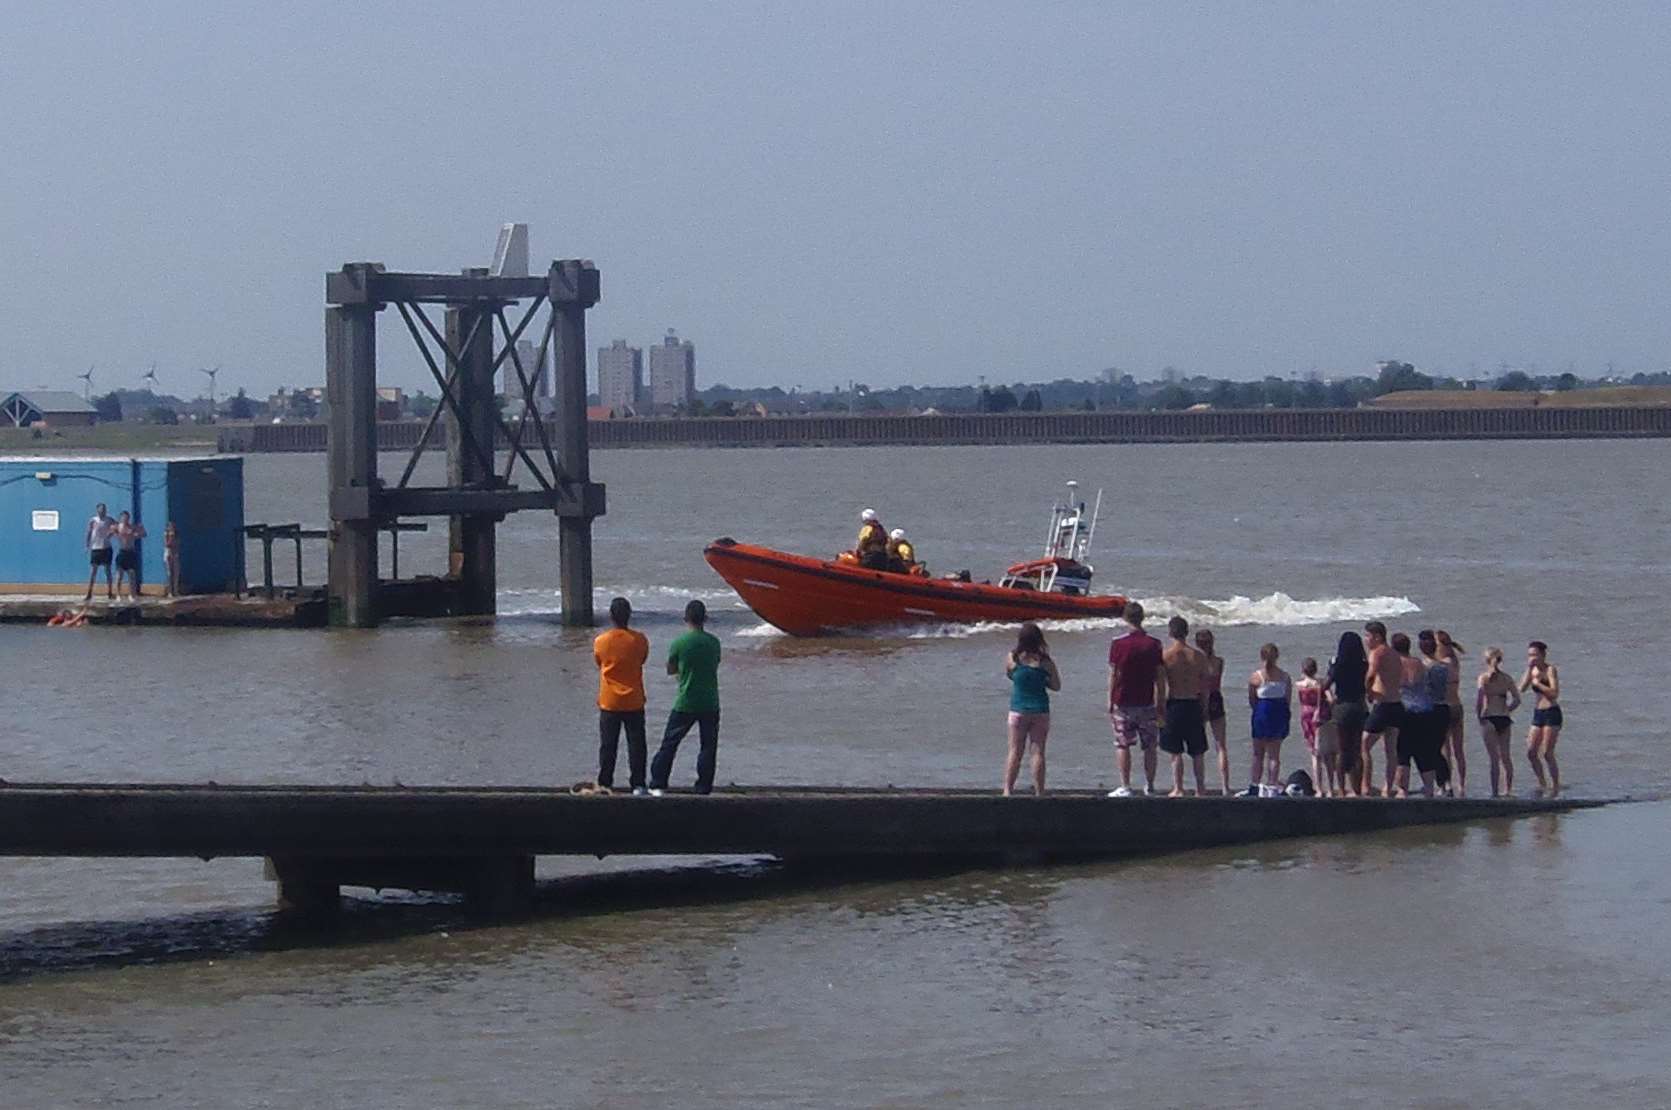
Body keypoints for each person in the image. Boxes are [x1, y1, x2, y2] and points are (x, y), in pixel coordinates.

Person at [648, 600, 723, 795]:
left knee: (670, 744)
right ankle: (703, 786)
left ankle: (658, 783)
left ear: (685, 619)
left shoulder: (679, 643)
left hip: (686, 700)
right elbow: (715, 663)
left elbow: (670, 669)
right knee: (708, 746)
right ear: (705, 619)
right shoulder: (714, 642)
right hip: (710, 701)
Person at [594, 597, 651, 794]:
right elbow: (642, 660)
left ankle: (605, 783)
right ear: (629, 616)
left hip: (610, 700)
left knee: (608, 746)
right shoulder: (640, 640)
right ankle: (638, 784)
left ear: (611, 616)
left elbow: (599, 662)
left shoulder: (601, 641)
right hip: (634, 699)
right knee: (637, 746)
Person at [1106, 601, 1163, 797]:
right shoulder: (1154, 644)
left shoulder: (1118, 644)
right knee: (1149, 746)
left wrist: (1109, 699)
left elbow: (1114, 674)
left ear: (1125, 618)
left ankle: (1125, 786)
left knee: (1123, 744)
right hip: (1147, 700)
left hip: (1123, 701)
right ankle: (1150, 785)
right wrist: (1161, 701)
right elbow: (1159, 677)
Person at [1003, 623, 1060, 796]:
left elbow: (1010, 675)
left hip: (1018, 709)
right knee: (1038, 752)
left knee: (1014, 751)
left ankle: (1008, 790)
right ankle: (1039, 792)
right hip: (1040, 710)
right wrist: (1043, 681)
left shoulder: (1013, 658)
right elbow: (1056, 686)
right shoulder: (1045, 662)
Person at [1157, 615, 1209, 797]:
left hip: (1175, 703)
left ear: (1170, 632)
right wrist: (1205, 707)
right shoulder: (1199, 656)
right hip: (1193, 703)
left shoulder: (1166, 656)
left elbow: (1161, 687)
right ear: (1186, 633)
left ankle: (1178, 787)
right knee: (1197, 752)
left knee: (1175, 751)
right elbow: (1205, 687)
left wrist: (1160, 709)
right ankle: (1200, 788)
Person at [1322, 631, 1368, 797]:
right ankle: (1357, 789)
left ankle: (1341, 790)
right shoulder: (1364, 665)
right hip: (1359, 706)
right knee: (1357, 750)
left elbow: (1325, 686)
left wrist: (1330, 699)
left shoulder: (1338, 665)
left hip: (1342, 706)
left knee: (1342, 750)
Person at [1361, 621, 1404, 797]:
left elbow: (1370, 676)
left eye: (1368, 636)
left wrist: (1368, 692)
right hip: (1396, 704)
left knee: (1364, 745)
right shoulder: (1395, 654)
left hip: (1383, 705)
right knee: (1391, 750)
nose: (1366, 640)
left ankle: (1366, 785)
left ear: (1377, 636)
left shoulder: (1377, 652)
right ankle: (1387, 787)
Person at [1243, 643, 1292, 795]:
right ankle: (1271, 785)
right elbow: (1287, 700)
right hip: (1278, 713)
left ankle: (1255, 784)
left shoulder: (1256, 677)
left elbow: (1252, 699)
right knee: (1274, 755)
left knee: (1258, 753)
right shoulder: (1285, 677)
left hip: (1262, 713)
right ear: (1277, 657)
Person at [1475, 647, 1521, 797]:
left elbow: (1480, 700)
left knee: (1494, 758)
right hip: (1504, 718)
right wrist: (1508, 709)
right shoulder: (1507, 678)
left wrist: (1479, 717)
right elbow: (1517, 699)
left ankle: (1495, 793)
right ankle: (1508, 790)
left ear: (1486, 660)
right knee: (1506, 756)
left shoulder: (1483, 678)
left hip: (1489, 717)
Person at [1520, 640, 1562, 796]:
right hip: (1538, 713)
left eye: (1535, 655)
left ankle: (1556, 785)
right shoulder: (1533, 670)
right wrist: (1529, 670)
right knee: (1531, 751)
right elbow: (1522, 689)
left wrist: (1539, 685)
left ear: (1543, 655)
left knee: (1547, 753)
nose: (1532, 658)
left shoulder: (1550, 670)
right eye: (1530, 655)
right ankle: (1542, 783)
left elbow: (1555, 693)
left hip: (1552, 711)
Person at [1195, 629, 1232, 795]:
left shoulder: (1195, 662)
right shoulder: (1219, 661)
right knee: (1221, 745)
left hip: (1200, 698)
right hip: (1216, 699)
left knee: (1199, 746)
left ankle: (1200, 786)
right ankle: (1225, 787)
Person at [1435, 630, 1468, 795]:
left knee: (1446, 749)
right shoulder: (1454, 660)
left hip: (1446, 708)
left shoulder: (1443, 664)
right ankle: (1461, 785)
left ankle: (1447, 784)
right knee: (1458, 750)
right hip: (1457, 706)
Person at [1296, 658, 1327, 795]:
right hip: (1318, 716)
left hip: (1305, 717)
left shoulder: (1299, 685)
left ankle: (1318, 786)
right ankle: (1323, 787)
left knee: (1313, 753)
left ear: (1303, 670)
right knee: (1323, 752)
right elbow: (1330, 699)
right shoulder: (1319, 685)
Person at [83, 503, 116, 602]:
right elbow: (89, 532)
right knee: (93, 571)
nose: (102, 511)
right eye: (100, 509)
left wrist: (111, 533)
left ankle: (110, 592)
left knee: (108, 571)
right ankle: (89, 593)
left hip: (106, 547)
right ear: (97, 510)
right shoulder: (93, 520)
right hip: (96, 548)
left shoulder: (109, 520)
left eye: (104, 509)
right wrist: (87, 545)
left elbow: (117, 527)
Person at [112, 512, 146, 602]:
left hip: (130, 552)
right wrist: (115, 532)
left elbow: (143, 534)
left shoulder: (132, 527)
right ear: (121, 518)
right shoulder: (118, 527)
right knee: (119, 574)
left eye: (127, 517)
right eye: (123, 517)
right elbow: (110, 532)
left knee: (132, 574)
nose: (125, 519)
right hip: (122, 551)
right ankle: (118, 594)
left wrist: (140, 530)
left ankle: (132, 594)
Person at [162, 521, 181, 598]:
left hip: (175, 554)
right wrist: (170, 537)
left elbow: (178, 543)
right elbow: (167, 544)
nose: (171, 527)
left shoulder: (177, 534)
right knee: (169, 573)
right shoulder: (166, 534)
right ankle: (170, 592)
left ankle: (176, 590)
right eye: (170, 526)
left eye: (173, 526)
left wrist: (174, 539)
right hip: (168, 554)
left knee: (176, 573)